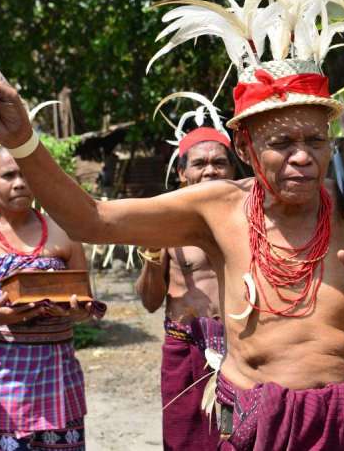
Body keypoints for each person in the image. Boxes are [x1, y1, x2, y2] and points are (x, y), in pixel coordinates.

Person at [0, 0, 344, 448]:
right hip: (256, 426)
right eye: (282, 144)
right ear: (246, 148)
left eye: (313, 142)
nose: (302, 158)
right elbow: (92, 219)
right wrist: (24, 141)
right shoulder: (217, 208)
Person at [0, 145, 101, 451]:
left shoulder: (64, 233)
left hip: (57, 378)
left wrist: (72, 312)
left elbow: (84, 303)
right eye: (8, 175)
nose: (20, 182)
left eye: (27, 174)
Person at [135, 125, 235, 450]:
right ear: (182, 172)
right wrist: (151, 254)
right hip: (185, 348)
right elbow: (150, 302)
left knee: (244, 436)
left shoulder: (249, 219)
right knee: (185, 441)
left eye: (219, 162)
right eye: (200, 163)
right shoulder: (166, 223)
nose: (210, 170)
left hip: (242, 345)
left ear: (233, 168)